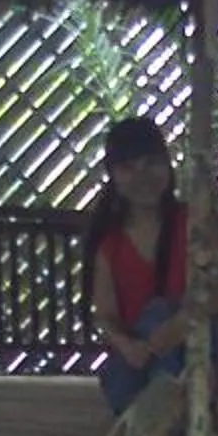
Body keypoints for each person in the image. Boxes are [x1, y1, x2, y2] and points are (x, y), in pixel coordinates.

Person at [83, 115, 196, 415]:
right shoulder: (110, 244)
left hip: (195, 349)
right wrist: (128, 346)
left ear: (167, 166)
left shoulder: (196, 224)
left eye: (151, 164)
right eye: (128, 168)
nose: (142, 177)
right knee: (122, 385)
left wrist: (180, 325)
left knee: (162, 313)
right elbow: (105, 316)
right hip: (140, 356)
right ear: (114, 176)